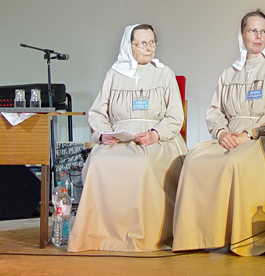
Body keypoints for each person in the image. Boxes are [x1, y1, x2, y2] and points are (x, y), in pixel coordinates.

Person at [172, 10, 265, 256]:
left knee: (238, 162)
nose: (258, 36)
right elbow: (215, 109)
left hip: (264, 137)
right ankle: (198, 236)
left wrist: (250, 133)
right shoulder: (229, 74)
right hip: (230, 135)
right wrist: (221, 133)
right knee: (195, 160)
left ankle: (244, 238)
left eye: (263, 31)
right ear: (242, 34)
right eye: (252, 30)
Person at [68, 24, 186, 252]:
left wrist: (155, 134)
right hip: (119, 139)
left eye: (152, 42)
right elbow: (98, 113)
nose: (149, 47)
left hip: (157, 139)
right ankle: (98, 235)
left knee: (142, 164)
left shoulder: (164, 74)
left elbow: (175, 115)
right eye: (142, 43)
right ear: (129, 45)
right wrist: (104, 133)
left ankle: (145, 235)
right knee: (98, 163)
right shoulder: (114, 75)